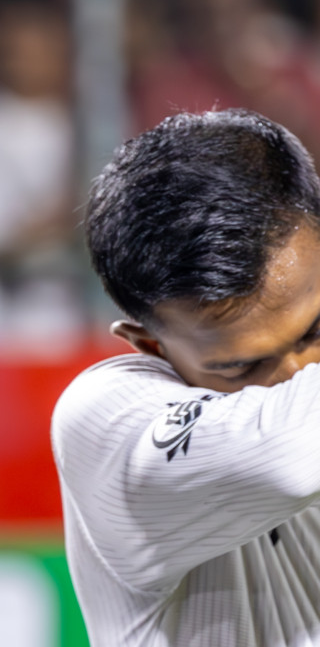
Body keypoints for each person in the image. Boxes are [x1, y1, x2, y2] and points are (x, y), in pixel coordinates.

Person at [54, 109, 320, 646]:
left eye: (316, 330)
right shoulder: (104, 417)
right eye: (244, 366)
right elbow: (292, 458)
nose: (299, 374)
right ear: (150, 344)